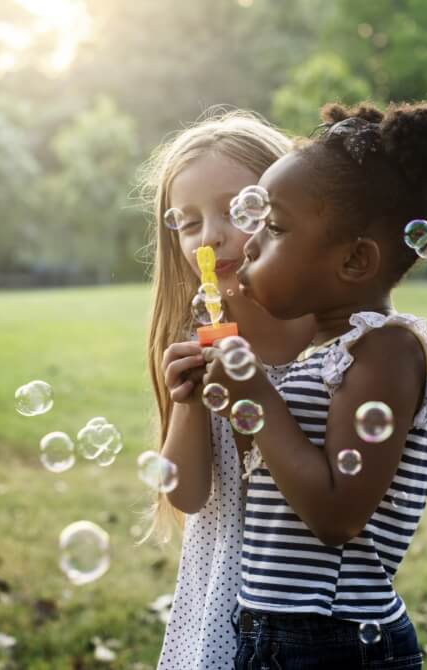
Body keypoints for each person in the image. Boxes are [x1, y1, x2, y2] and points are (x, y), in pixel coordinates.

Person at [202, 100, 427, 669]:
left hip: (333, 640)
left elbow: (337, 514)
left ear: (354, 261)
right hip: (274, 631)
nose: (248, 244)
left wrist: (259, 399)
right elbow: (284, 485)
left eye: (274, 227)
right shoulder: (324, 355)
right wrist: (229, 398)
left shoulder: (385, 350)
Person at [138, 108, 315, 670]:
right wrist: (189, 404)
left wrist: (254, 392)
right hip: (216, 595)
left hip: (302, 606)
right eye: (189, 223)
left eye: (235, 209)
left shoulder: (326, 338)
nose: (211, 235)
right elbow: (187, 496)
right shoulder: (198, 341)